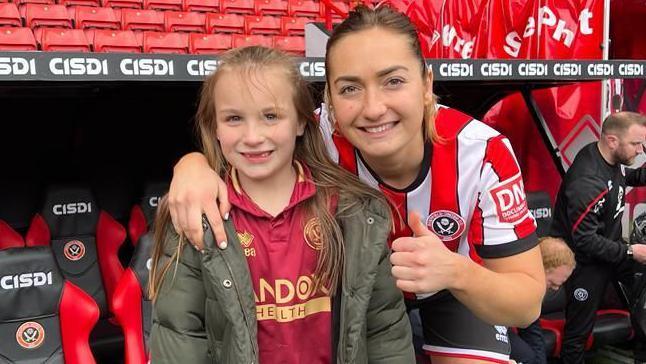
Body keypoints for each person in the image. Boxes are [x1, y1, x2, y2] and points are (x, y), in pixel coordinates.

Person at [167, 6, 545, 363]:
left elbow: (527, 303)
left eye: (393, 81)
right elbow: (249, 142)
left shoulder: (481, 153)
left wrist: (455, 271)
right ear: (327, 99)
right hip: (361, 292)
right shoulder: (318, 138)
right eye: (349, 89)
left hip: (453, 286)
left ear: (427, 83)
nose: (373, 107)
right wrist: (192, 165)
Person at [147, 46, 414, 364]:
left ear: (301, 122)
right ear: (214, 128)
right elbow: (181, 337)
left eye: (270, 116)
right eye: (234, 119)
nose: (253, 136)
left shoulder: (353, 213)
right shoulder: (196, 216)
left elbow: (384, 333)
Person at [550, 111, 646, 364]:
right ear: (613, 141)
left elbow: (631, 177)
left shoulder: (609, 158)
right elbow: (585, 240)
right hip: (583, 262)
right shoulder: (587, 181)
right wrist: (630, 252)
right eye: (636, 144)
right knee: (578, 335)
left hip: (610, 251)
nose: (641, 150)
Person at [509, 236, 576, 364]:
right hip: (478, 323)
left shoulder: (532, 293)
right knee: (525, 357)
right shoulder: (507, 280)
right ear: (538, 268)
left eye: (559, 285)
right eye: (551, 283)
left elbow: (533, 335)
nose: (556, 289)